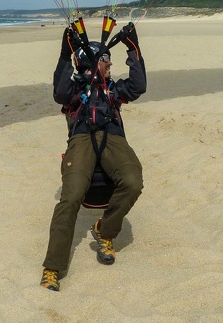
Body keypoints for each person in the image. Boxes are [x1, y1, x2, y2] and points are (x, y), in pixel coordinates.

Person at [40, 22, 147, 291]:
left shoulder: (114, 90)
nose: (110, 67)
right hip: (82, 138)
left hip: (113, 139)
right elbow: (59, 93)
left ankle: (105, 231)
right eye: (106, 63)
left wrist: (133, 48)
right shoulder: (74, 91)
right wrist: (66, 54)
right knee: (71, 195)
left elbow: (138, 87)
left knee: (133, 181)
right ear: (92, 63)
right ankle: (53, 267)